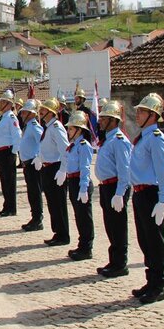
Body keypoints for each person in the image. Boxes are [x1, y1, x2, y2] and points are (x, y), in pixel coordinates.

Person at [129, 93, 164, 305]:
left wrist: (163, 199)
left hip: (151, 193)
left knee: (155, 242)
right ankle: (151, 280)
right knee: (145, 240)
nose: (137, 115)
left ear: (153, 115)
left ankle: (159, 285)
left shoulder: (156, 139)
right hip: (139, 192)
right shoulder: (143, 138)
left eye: (142, 112)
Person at [94, 100, 132, 278]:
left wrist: (120, 194)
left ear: (113, 120)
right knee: (110, 225)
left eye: (104, 118)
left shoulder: (119, 141)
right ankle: (114, 260)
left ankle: (120, 263)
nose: (100, 121)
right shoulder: (108, 139)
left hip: (115, 187)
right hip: (106, 187)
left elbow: (125, 170)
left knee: (118, 227)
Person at [36, 97, 70, 246]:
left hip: (56, 168)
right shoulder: (48, 128)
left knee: (58, 203)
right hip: (47, 168)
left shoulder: (56, 127)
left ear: (50, 113)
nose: (40, 112)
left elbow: (65, 150)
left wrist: (63, 170)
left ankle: (63, 234)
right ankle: (57, 232)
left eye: (43, 110)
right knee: (52, 203)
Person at [63, 110, 95, 261]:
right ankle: (81, 245)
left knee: (84, 217)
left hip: (81, 182)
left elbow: (85, 168)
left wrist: (83, 188)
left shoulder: (83, 145)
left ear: (79, 130)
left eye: (71, 128)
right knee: (78, 216)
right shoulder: (74, 145)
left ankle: (86, 248)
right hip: (73, 181)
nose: (68, 131)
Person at [0, 91, 21, 217]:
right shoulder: (3, 117)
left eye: (3, 102)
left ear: (9, 104)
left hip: (7, 152)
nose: (1, 104)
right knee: (4, 181)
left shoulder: (11, 117)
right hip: (0, 153)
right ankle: (6, 205)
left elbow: (17, 135)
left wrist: (13, 153)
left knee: (9, 181)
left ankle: (11, 208)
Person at [17, 99, 43, 231]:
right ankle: (34, 217)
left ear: (32, 114)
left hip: (33, 164)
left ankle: (38, 219)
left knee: (35, 193)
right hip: (27, 164)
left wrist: (39, 156)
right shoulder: (28, 126)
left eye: (24, 112)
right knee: (31, 193)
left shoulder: (34, 126)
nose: (21, 115)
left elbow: (43, 142)